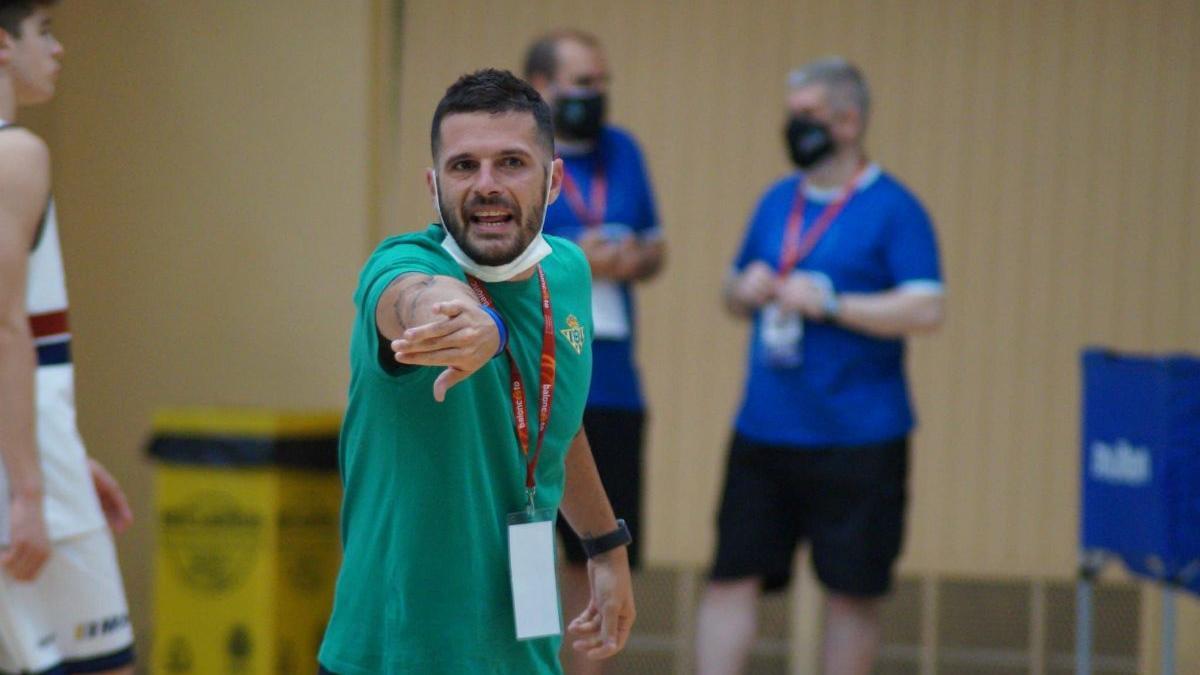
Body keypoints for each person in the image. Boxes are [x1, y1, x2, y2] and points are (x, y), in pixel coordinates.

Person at [317, 69, 635, 675]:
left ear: (554, 180)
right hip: (394, 656)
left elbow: (553, 423)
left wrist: (603, 547)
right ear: (435, 186)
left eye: (511, 163)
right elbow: (414, 298)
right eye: (464, 167)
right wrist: (466, 320)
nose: (486, 185)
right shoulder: (402, 265)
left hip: (524, 650)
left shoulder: (565, 273)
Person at [695, 57, 945, 675]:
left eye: (806, 116)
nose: (793, 127)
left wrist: (833, 302)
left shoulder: (895, 208)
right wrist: (744, 287)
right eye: (791, 115)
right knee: (730, 578)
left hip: (860, 437)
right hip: (765, 429)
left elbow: (926, 305)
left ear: (849, 120)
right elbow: (729, 290)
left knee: (851, 594)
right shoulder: (777, 201)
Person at [0, 2, 136, 674]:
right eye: (44, 31)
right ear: (1, 43)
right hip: (27, 474)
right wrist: (31, 487)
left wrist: (63, 456)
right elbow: (3, 327)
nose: (58, 50)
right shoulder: (14, 150)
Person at [522, 29, 663, 675]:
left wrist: (632, 256)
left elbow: (657, 246)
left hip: (611, 385)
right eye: (583, 82)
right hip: (531, 381)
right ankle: (521, 662)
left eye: (602, 82)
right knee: (525, 543)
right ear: (543, 87)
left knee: (596, 546)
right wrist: (581, 254)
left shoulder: (623, 151)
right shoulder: (519, 161)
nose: (596, 95)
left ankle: (585, 668)